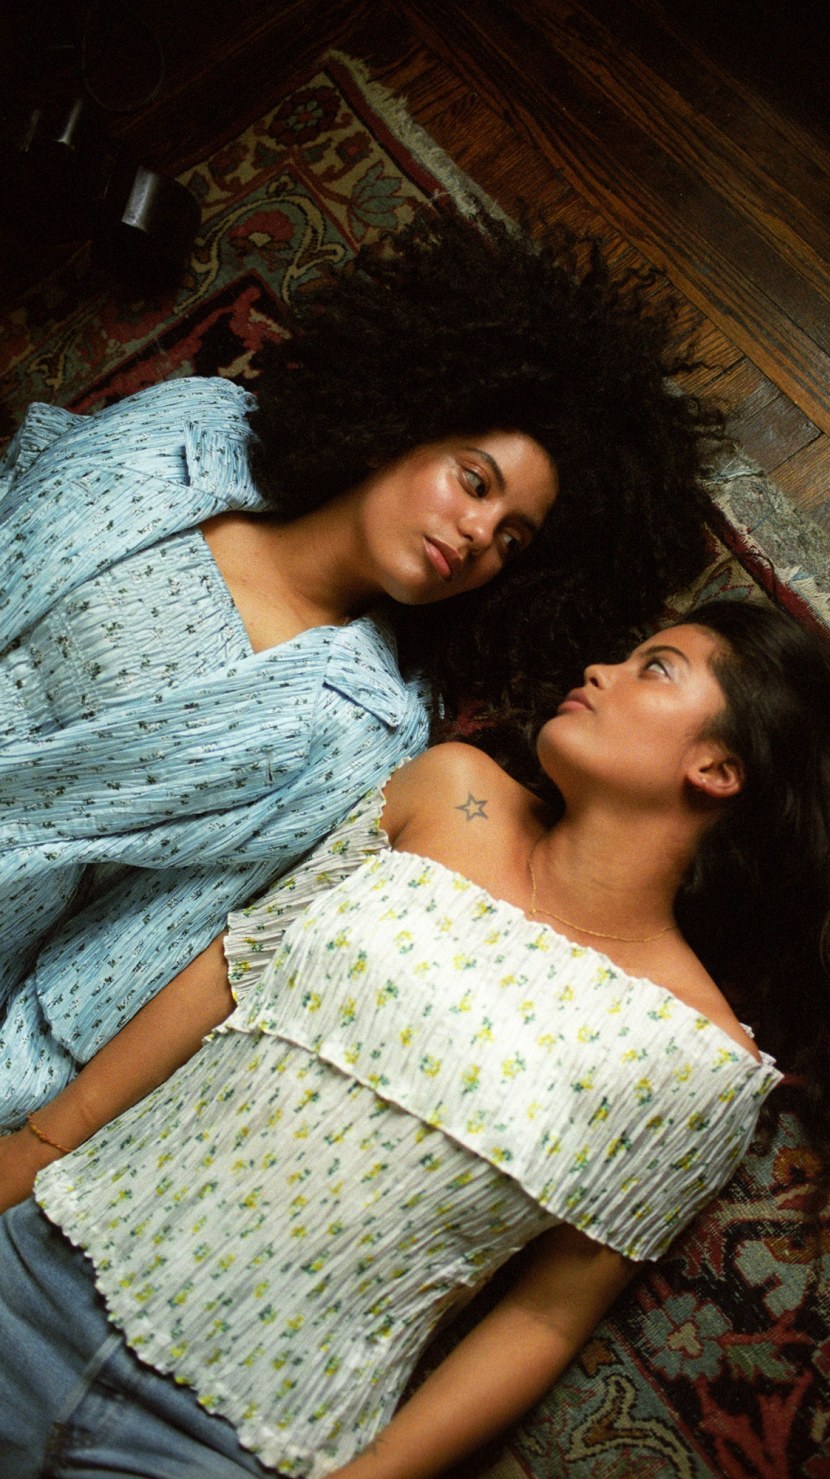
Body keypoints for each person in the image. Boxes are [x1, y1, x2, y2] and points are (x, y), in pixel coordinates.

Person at [1, 598, 830, 1478]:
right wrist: (32, 1150)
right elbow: (229, 971)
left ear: (717, 768)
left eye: (655, 668)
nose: (602, 669)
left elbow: (545, 1314)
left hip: (228, 1437)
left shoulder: (699, 1061)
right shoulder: (449, 795)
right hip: (40, 1262)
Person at [0, 206, 719, 1126]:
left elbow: (151, 934)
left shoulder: (362, 729)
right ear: (403, 425)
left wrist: (27, 1107)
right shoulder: (196, 430)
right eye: (474, 481)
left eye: (512, 539)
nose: (478, 534)